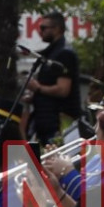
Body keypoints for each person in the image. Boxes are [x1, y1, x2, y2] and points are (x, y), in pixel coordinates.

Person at [25, 10, 84, 144]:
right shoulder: (52, 52)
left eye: (43, 28)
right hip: (45, 121)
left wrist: (38, 88)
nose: (40, 31)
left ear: (57, 29)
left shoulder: (64, 53)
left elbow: (63, 90)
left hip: (58, 123)